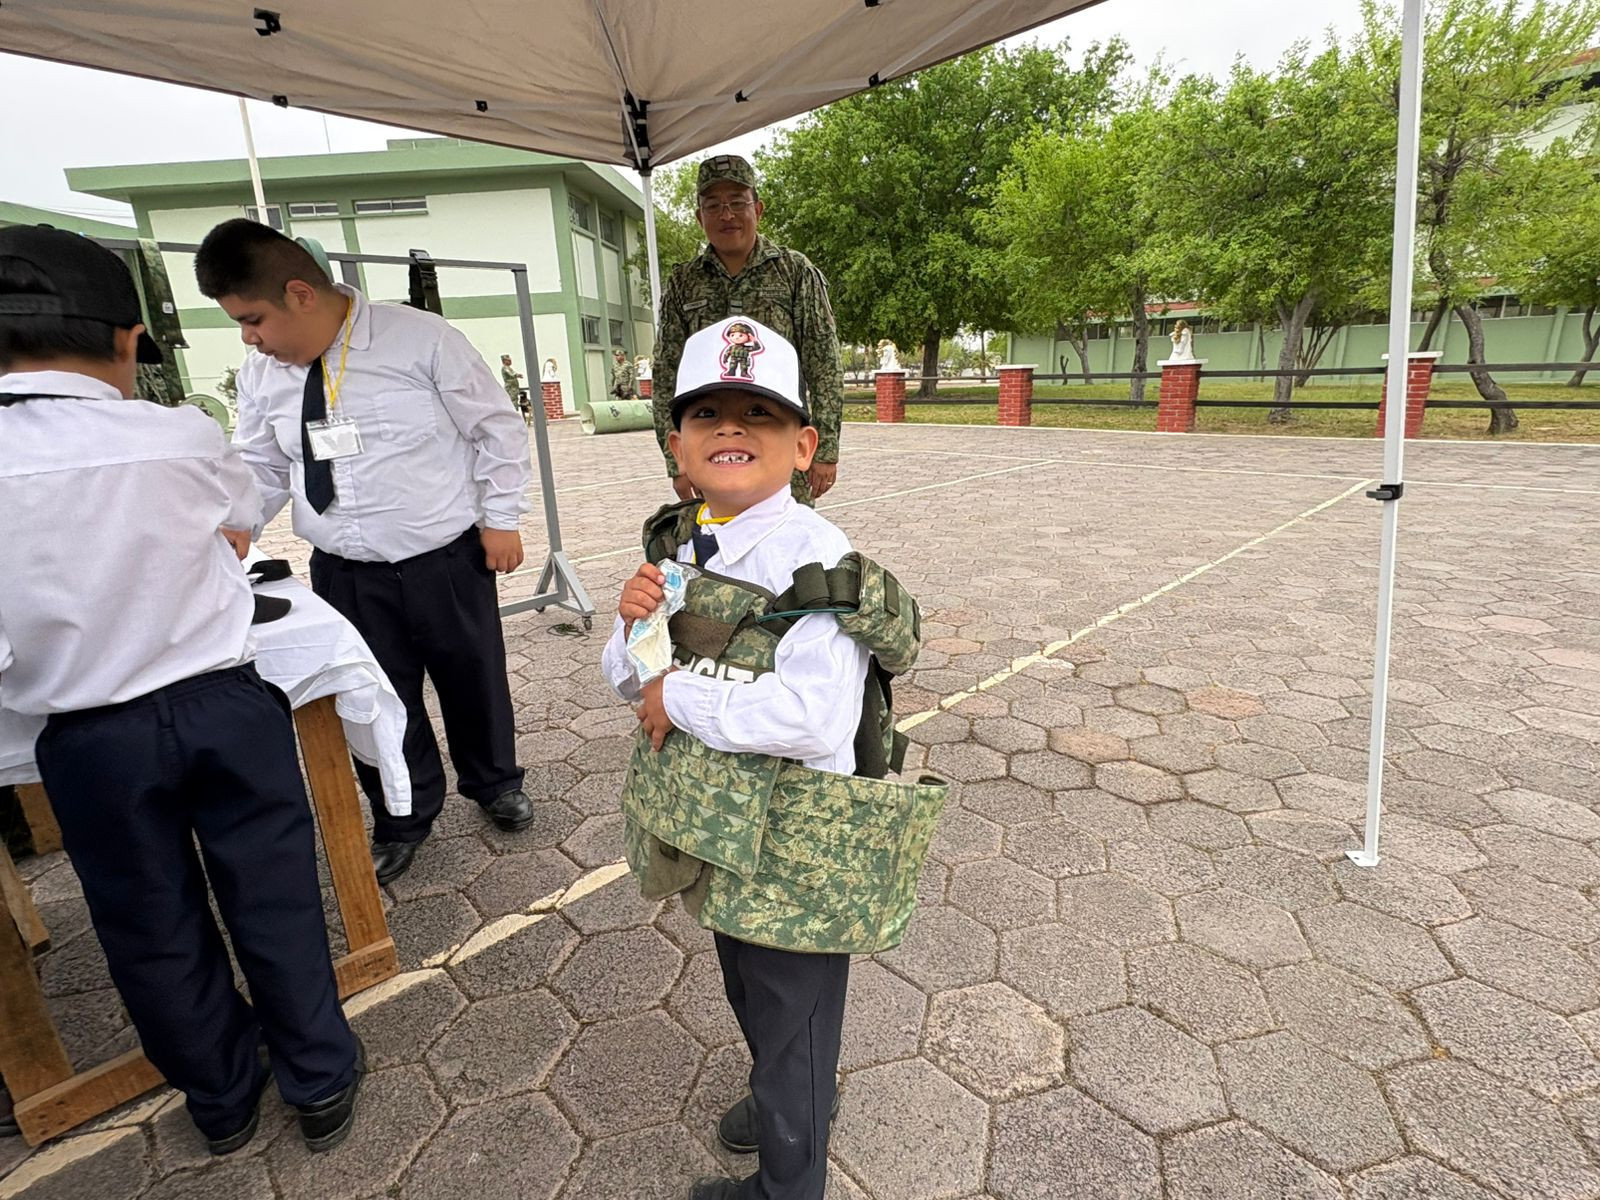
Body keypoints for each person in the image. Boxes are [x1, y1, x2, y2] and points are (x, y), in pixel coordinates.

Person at [0, 225, 364, 1155]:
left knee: (145, 920)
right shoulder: (177, 433)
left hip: (87, 736)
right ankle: (319, 1078)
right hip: (220, 704)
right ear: (127, 341)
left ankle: (221, 1099)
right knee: (273, 892)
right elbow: (243, 516)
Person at [604, 317, 944, 1200]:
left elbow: (811, 714)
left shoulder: (814, 559)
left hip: (794, 837)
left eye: (758, 413)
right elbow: (628, 678)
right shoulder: (680, 540)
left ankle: (788, 1183)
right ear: (675, 443)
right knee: (752, 990)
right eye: (706, 411)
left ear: (803, 446)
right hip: (721, 825)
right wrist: (631, 625)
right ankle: (786, 1094)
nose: (729, 427)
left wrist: (675, 697)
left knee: (792, 1013)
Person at [194, 219, 535, 886]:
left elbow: (495, 428)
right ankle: (403, 816)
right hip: (344, 570)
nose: (249, 337)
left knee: (473, 679)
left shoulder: (419, 339)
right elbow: (260, 463)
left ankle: (495, 783)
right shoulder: (263, 375)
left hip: (444, 556)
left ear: (300, 294)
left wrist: (501, 519)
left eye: (253, 318)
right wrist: (237, 526)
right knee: (376, 695)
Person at [651, 155, 844, 507]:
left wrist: (826, 448)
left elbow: (824, 362)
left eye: (737, 202)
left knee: (788, 543)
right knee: (720, 542)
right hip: (714, 446)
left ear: (758, 208)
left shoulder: (794, 272)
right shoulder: (683, 283)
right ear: (699, 217)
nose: (727, 215)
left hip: (778, 441)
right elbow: (667, 374)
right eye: (714, 205)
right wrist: (674, 459)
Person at [500, 353, 530, 422]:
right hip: (511, 388)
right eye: (508, 360)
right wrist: (517, 375)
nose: (510, 361)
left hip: (514, 388)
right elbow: (511, 374)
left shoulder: (509, 368)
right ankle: (512, 416)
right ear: (504, 361)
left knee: (515, 400)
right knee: (512, 401)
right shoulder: (505, 368)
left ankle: (514, 415)